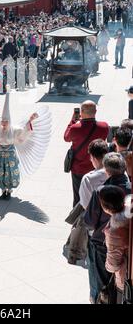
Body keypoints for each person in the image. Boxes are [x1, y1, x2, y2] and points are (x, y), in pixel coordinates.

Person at [84, 153, 131, 304]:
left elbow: (89, 221)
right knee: (117, 290)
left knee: (100, 287)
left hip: (101, 244)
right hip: (127, 248)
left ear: (107, 171)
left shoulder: (102, 192)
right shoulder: (131, 189)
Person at [0, 92, 39, 200]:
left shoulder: (15, 129)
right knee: (0, 172)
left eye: (6, 122)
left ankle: (9, 191)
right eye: (2, 122)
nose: (3, 124)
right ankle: (3, 191)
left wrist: (30, 121)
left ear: (9, 121)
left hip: (10, 154)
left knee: (9, 172)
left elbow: (23, 136)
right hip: (0, 154)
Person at [64, 101, 109, 207]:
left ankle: (77, 221)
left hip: (78, 169)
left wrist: (72, 121)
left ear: (81, 112)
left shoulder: (75, 128)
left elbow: (66, 137)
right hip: (97, 168)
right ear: (95, 111)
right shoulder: (104, 126)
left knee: (78, 197)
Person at [99, 185, 130, 304]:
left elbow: (113, 264)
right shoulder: (129, 212)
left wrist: (107, 266)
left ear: (105, 207)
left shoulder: (115, 231)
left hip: (126, 277)